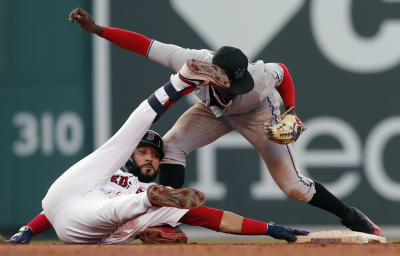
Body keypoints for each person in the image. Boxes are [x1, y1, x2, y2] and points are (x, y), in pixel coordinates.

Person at [60, 8, 383, 237]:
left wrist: (292, 110)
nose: (235, 85)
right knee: (172, 146)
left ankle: (351, 216)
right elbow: (144, 45)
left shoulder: (256, 78)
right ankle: (166, 222)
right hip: (214, 113)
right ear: (215, 72)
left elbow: (283, 70)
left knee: (294, 187)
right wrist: (99, 30)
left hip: (258, 114)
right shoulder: (192, 61)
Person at [7, 58, 308, 244]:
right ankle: (180, 81)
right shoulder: (109, 169)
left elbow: (212, 217)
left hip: (80, 223)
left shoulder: (147, 192)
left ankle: (179, 83)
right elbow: (53, 207)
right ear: (133, 157)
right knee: (124, 138)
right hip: (76, 190)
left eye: (155, 154)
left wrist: (268, 228)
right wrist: (28, 230)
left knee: (119, 207)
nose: (151, 157)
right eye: (144, 153)